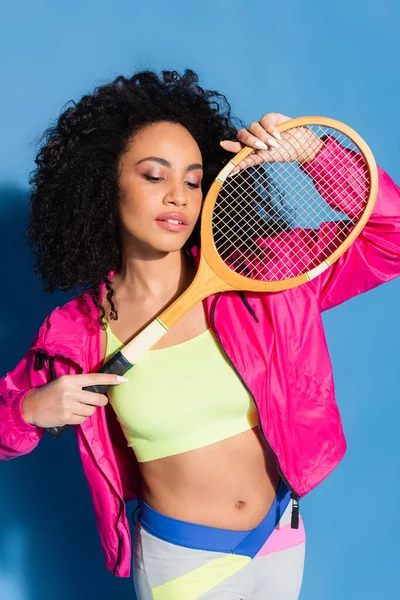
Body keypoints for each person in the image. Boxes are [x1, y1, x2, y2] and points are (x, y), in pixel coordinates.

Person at [0, 69, 399, 600]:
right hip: (182, 561)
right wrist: (29, 411)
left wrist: (314, 156)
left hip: (282, 536)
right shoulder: (75, 332)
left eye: (192, 180)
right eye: (153, 176)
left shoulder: (261, 279)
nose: (178, 197)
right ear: (105, 185)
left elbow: (390, 238)